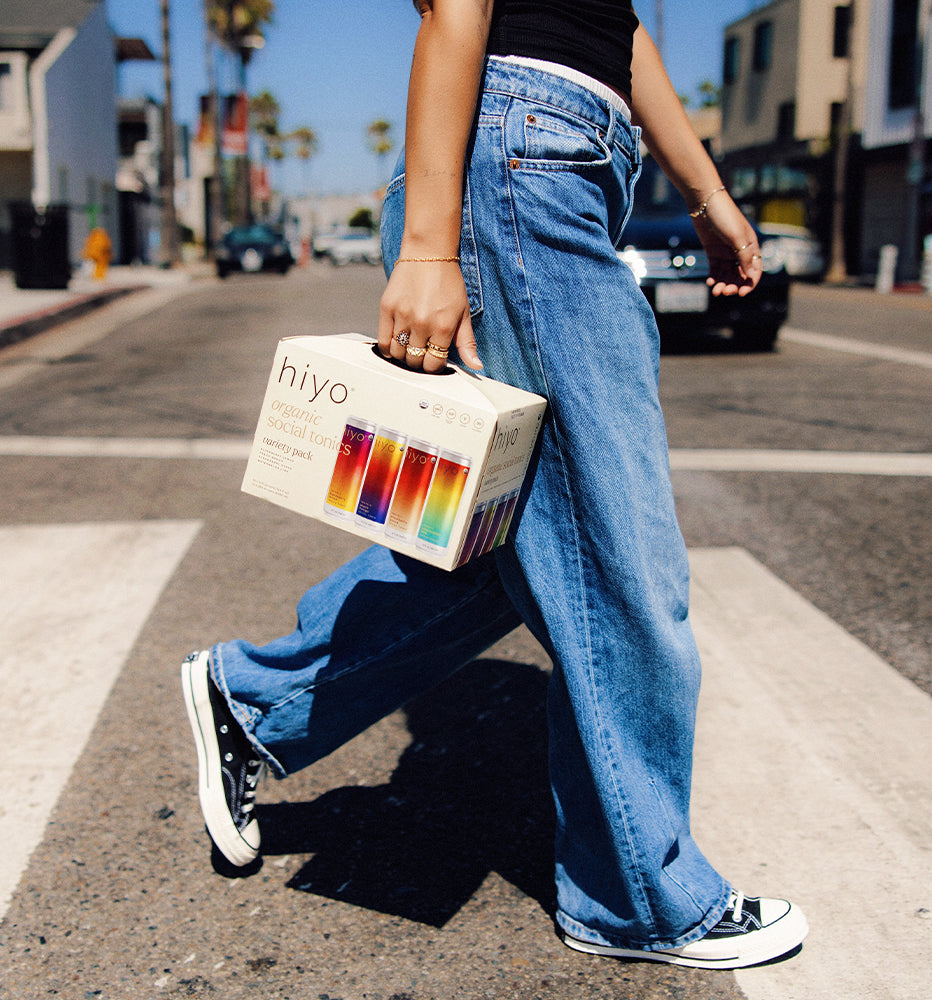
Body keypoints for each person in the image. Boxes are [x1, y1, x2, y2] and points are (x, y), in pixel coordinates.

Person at [182, 0, 808, 970]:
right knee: (616, 557)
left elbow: (619, 24)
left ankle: (252, 699)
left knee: (493, 548)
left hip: (554, 162)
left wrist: (704, 188)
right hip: (524, 163)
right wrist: (430, 248)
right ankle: (637, 894)